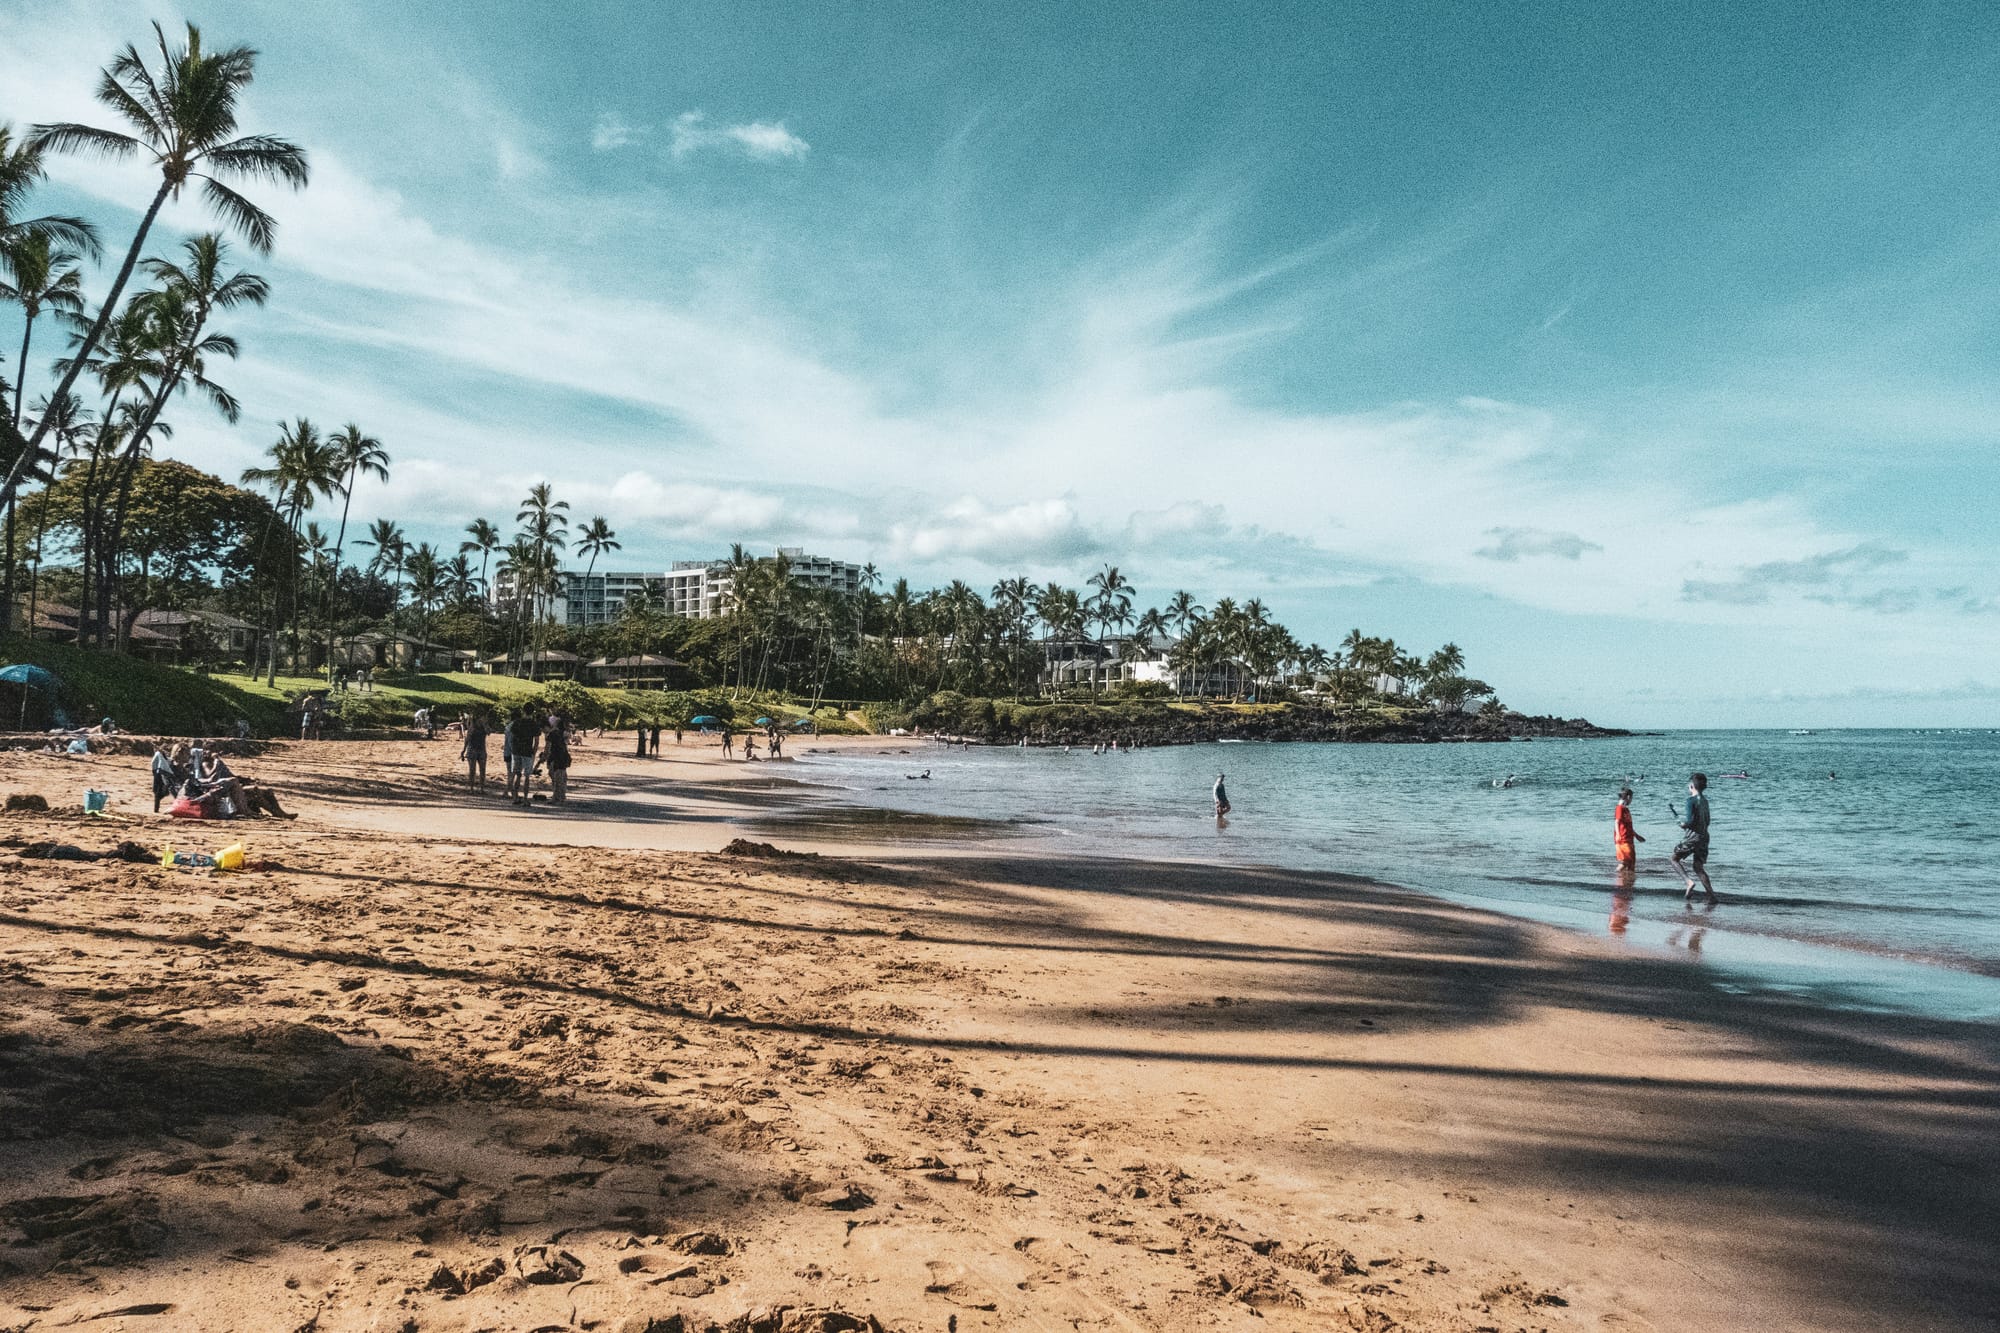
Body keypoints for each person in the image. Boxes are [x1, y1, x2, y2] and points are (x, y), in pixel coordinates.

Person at [1671, 772, 1715, 902]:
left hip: (1692, 837)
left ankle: (1688, 882)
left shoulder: (1690, 801)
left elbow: (1689, 822)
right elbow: (1708, 821)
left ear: (1692, 786)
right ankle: (1711, 896)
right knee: (1698, 867)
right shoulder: (1706, 801)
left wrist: (1683, 825)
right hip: (1704, 837)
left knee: (1674, 859)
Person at [506, 708, 541, 804]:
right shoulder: (533, 724)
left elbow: (512, 736)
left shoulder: (517, 722)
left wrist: (513, 749)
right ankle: (525, 799)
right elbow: (536, 740)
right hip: (527, 751)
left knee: (517, 774)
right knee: (527, 776)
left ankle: (515, 797)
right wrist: (534, 752)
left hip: (516, 750)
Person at [543, 712, 572, 805]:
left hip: (556, 757)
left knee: (557, 778)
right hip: (563, 756)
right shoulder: (564, 734)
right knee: (562, 777)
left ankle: (557, 798)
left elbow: (548, 747)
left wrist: (544, 757)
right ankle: (561, 796)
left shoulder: (553, 734)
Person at [461, 709, 491, 792]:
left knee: (482, 770)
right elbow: (467, 740)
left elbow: (489, 732)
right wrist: (463, 750)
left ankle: (481, 788)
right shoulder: (472, 728)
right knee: (472, 770)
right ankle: (471, 788)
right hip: (472, 750)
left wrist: (485, 725)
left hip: (481, 750)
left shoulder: (483, 727)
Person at [1613, 787, 1644, 866]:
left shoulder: (1626, 809)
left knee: (1631, 862)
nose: (1631, 801)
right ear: (1628, 797)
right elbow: (1617, 822)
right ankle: (1617, 876)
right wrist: (1618, 835)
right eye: (1631, 798)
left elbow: (1628, 826)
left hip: (1629, 839)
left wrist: (1636, 836)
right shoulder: (1619, 808)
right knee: (1626, 862)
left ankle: (1627, 877)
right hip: (1623, 839)